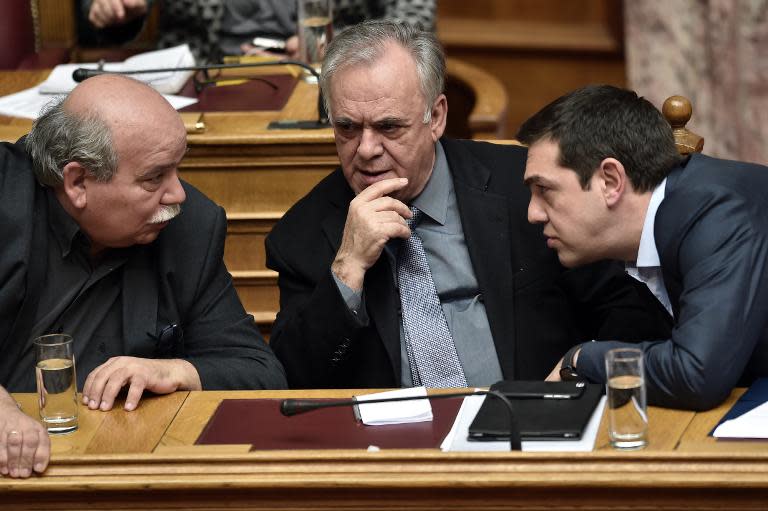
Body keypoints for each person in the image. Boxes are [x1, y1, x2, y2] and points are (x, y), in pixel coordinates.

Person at [265, 20, 672, 389]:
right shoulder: (303, 234)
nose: (367, 149)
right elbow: (298, 378)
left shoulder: (525, 190)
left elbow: (628, 311)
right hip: (393, 458)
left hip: (534, 435)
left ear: (437, 117)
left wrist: (579, 379)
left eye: (389, 127)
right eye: (347, 128)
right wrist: (348, 267)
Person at [0, 74, 287, 478]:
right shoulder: (5, 196)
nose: (178, 195)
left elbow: (261, 373)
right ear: (78, 181)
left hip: (119, 466)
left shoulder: (190, 227)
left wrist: (175, 370)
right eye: (154, 178)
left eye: (177, 170)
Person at [518, 84, 768, 410]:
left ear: (610, 181)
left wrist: (582, 358)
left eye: (544, 190)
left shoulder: (716, 212)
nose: (532, 214)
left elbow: (696, 375)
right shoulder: (631, 240)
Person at [79, 0, 436, 63]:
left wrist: (336, 43)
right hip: (206, 75)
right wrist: (117, 10)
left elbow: (416, 13)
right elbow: (100, 17)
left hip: (318, 75)